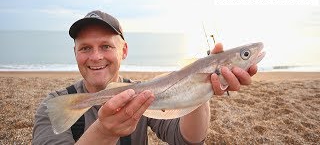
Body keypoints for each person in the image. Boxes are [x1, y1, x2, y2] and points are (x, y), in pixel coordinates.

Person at [32, 10, 258, 145]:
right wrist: (104, 132)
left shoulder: (144, 93)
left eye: (106, 46)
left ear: (124, 51)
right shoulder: (54, 106)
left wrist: (201, 90)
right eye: (85, 48)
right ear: (75, 54)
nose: (96, 56)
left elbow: (187, 140)